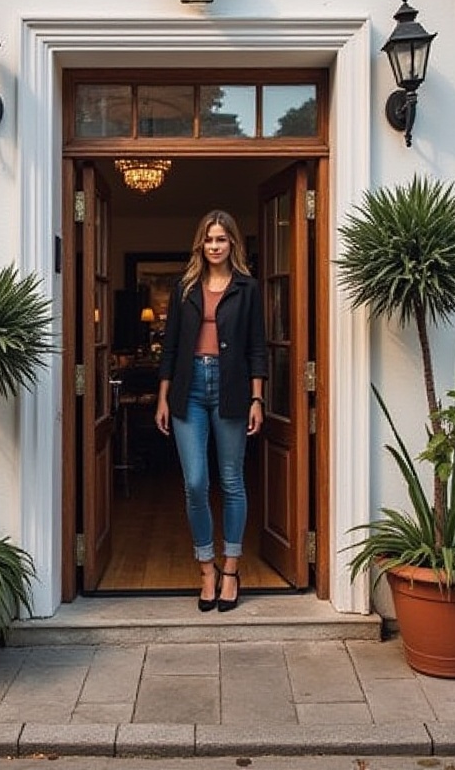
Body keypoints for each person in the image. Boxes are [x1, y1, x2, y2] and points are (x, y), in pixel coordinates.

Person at [155, 210, 269, 613]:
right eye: (209, 240)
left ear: (232, 243)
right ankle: (206, 569)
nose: (215, 246)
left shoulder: (248, 288)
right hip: (189, 390)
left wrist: (257, 398)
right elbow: (169, 347)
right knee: (196, 483)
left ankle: (232, 569)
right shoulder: (184, 287)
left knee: (232, 480)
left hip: (232, 387)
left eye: (221, 239)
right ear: (200, 245)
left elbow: (258, 346)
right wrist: (163, 397)